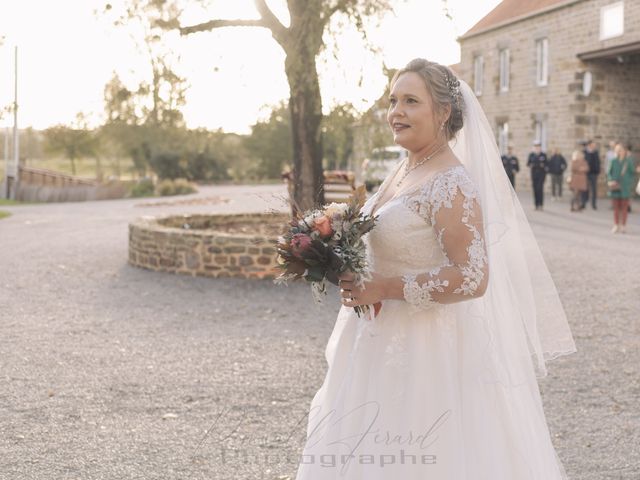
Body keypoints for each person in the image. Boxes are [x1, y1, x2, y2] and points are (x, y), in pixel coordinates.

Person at [295, 59, 576, 480]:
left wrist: (383, 287)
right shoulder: (405, 169)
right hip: (375, 341)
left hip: (429, 352)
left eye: (411, 101)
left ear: (443, 112)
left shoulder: (452, 183)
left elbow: (472, 277)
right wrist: (336, 251)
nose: (396, 112)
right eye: (393, 101)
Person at [607, 143, 636, 233]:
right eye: (617, 149)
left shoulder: (628, 161)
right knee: (616, 208)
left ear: (624, 151)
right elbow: (609, 173)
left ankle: (623, 225)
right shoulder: (613, 161)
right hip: (615, 187)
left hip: (625, 188)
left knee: (624, 208)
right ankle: (616, 225)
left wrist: (629, 183)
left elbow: (632, 173)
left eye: (620, 149)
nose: (619, 151)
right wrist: (610, 181)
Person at [527, 141, 548, 210]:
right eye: (536, 146)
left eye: (538, 146)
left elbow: (547, 164)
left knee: (540, 189)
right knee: (535, 189)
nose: (537, 148)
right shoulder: (532, 155)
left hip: (541, 175)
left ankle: (540, 204)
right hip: (534, 174)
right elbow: (528, 163)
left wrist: (543, 166)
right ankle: (536, 205)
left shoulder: (543, 155)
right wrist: (531, 165)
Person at [583, 140, 601, 209]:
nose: (594, 146)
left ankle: (594, 204)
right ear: (589, 145)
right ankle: (583, 202)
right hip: (586, 173)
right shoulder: (585, 152)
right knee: (585, 189)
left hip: (594, 173)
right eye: (593, 145)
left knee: (594, 189)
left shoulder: (596, 152)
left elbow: (598, 162)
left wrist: (598, 171)